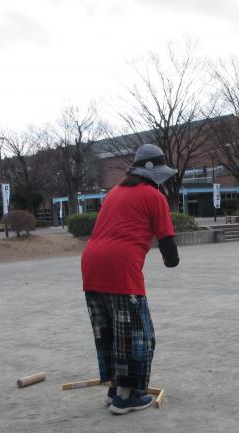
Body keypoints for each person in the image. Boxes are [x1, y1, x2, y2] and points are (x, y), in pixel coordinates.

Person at [80, 144, 180, 415]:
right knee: (138, 334)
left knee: (111, 331)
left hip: (90, 264)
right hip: (120, 267)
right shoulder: (153, 196)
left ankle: (115, 389)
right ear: (156, 173)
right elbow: (169, 247)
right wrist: (172, 261)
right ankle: (129, 395)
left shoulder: (115, 192)